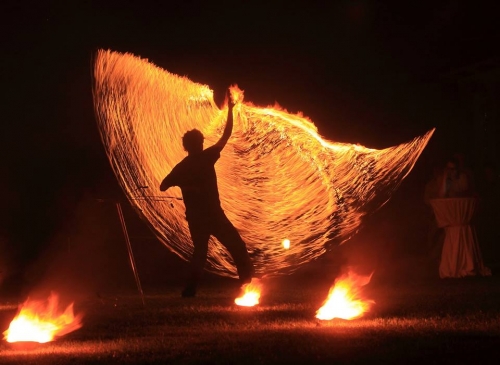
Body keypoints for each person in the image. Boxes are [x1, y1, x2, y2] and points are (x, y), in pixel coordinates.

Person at [160, 89, 254, 297]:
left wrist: (183, 184)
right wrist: (230, 110)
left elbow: (163, 185)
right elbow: (226, 134)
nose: (201, 144)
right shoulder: (205, 158)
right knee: (235, 247)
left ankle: (191, 290)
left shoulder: (185, 165)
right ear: (196, 144)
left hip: (199, 217)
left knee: (202, 253)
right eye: (199, 142)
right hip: (210, 215)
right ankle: (246, 285)